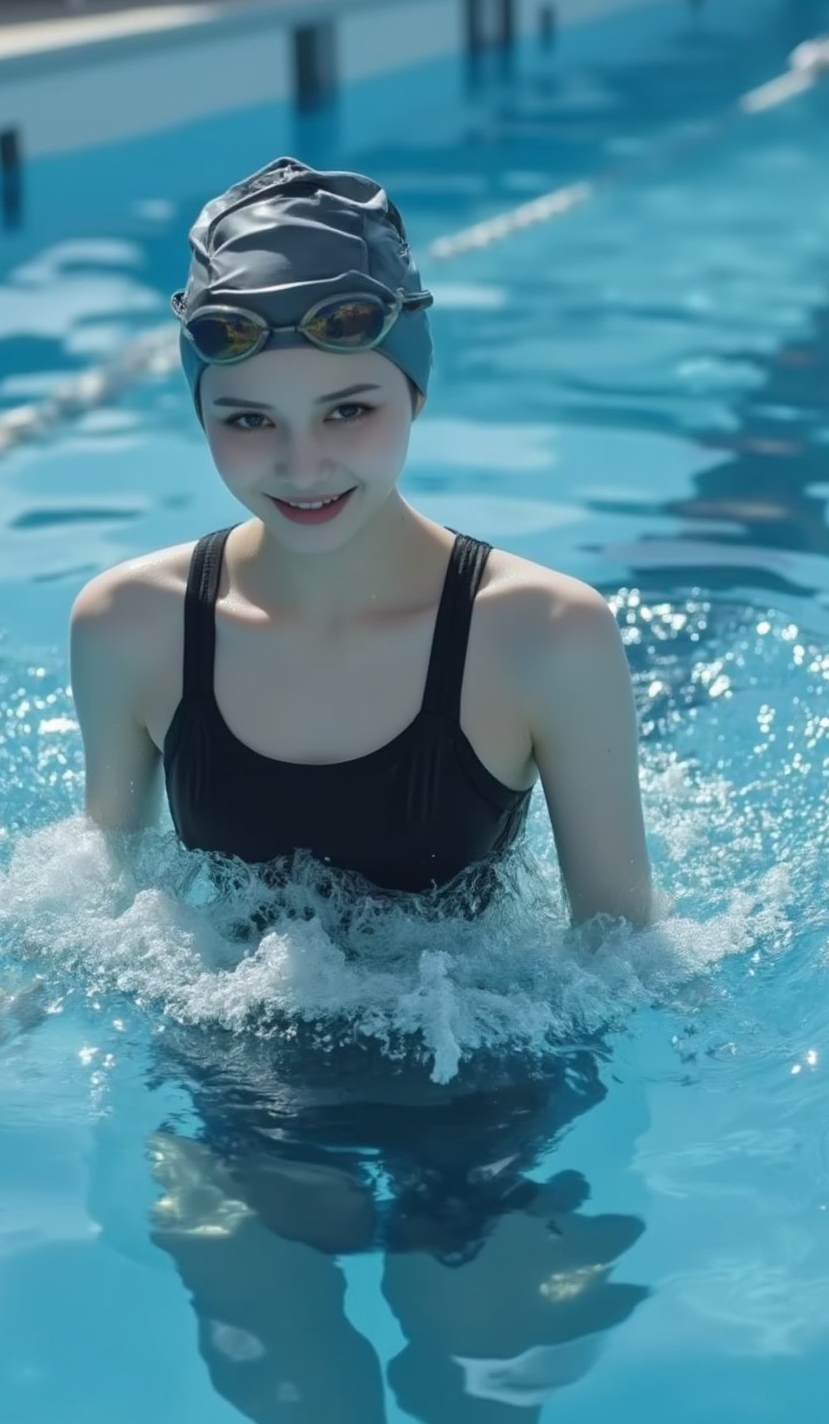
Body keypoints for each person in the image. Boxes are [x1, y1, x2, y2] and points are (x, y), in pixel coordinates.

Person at [69, 155, 659, 929]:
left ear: (415, 392)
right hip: (206, 1049)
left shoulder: (544, 634)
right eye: (249, 420)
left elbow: (619, 945)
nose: (302, 467)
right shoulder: (130, 622)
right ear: (201, 416)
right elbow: (102, 895)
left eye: (348, 412)